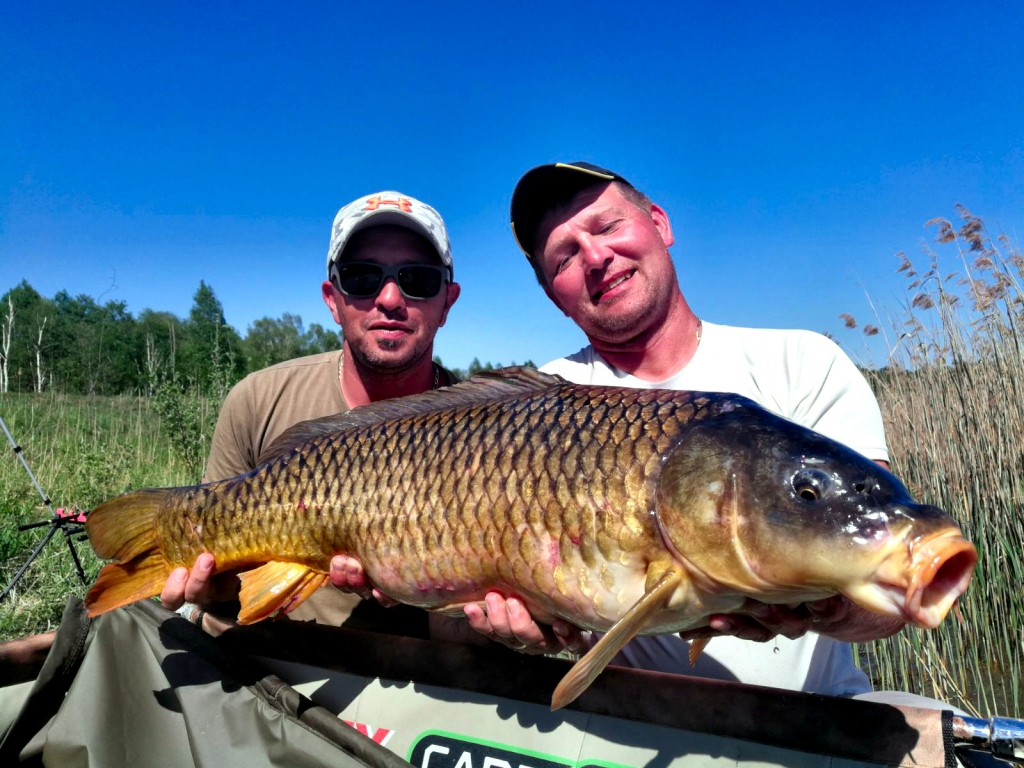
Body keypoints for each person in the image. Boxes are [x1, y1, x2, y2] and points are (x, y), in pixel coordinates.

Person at [461, 161, 907, 696]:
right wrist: (537, 632)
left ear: (660, 224)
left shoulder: (801, 363)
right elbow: (558, 623)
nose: (596, 257)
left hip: (820, 718)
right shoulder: (533, 408)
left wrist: (821, 609)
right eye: (565, 256)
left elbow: (890, 593)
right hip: (630, 725)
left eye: (606, 228)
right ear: (555, 296)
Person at [160, 190, 461, 635]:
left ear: (447, 302)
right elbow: (229, 589)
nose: (391, 298)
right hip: (271, 657)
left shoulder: (489, 426)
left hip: (420, 674)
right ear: (331, 299)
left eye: (418, 278)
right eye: (362, 278)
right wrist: (216, 586)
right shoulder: (258, 400)